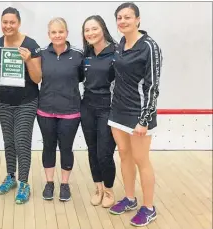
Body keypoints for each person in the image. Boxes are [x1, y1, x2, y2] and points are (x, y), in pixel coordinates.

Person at [108, 2, 162, 227]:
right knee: (124, 155)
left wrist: (144, 119)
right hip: (117, 111)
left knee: (141, 160)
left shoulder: (149, 46)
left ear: (138, 19)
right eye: (119, 17)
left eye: (127, 17)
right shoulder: (120, 43)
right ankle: (130, 198)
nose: (123, 21)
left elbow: (153, 85)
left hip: (139, 114)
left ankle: (149, 208)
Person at [0, 7, 42, 204]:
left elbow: (37, 78)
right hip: (3, 101)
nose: (8, 26)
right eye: (5, 22)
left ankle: (24, 183)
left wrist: (28, 60)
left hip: (26, 101)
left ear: (18, 23)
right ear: (1, 23)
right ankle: (10, 176)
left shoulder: (31, 45)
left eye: (12, 22)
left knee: (21, 142)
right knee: (9, 141)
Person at [37, 17, 83, 202]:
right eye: (53, 32)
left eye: (60, 32)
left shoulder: (78, 55)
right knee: (48, 147)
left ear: (67, 33)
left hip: (70, 112)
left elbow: (80, 78)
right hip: (45, 110)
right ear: (49, 34)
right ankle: (49, 183)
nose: (57, 35)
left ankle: (64, 184)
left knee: (66, 148)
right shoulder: (41, 54)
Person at [81, 15, 117, 208]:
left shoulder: (116, 52)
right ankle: (98, 188)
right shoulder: (85, 55)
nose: (91, 33)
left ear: (102, 28)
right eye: (87, 30)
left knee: (104, 153)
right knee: (92, 151)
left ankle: (109, 190)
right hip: (87, 107)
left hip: (108, 109)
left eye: (94, 28)